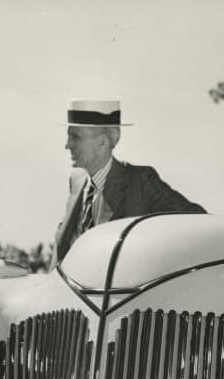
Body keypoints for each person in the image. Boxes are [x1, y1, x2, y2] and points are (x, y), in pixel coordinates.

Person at [52, 100, 204, 266]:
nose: (67, 145)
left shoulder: (141, 182)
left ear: (103, 142)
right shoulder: (77, 182)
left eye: (76, 137)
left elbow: (199, 223)